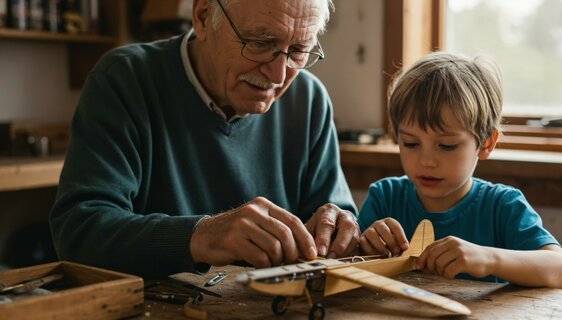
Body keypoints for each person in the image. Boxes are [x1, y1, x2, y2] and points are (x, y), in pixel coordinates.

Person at [50, 0, 360, 279]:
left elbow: (334, 218)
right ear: (202, 18)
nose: (279, 74)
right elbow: (79, 232)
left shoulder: (309, 100)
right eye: (260, 43)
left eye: (298, 51)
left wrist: (339, 227)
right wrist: (199, 237)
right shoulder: (124, 80)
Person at [357, 52, 562, 289]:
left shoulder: (502, 206)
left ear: (486, 143)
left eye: (446, 146)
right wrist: (364, 248)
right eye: (411, 143)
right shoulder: (385, 198)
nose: (426, 161)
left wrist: (489, 258)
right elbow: (345, 267)